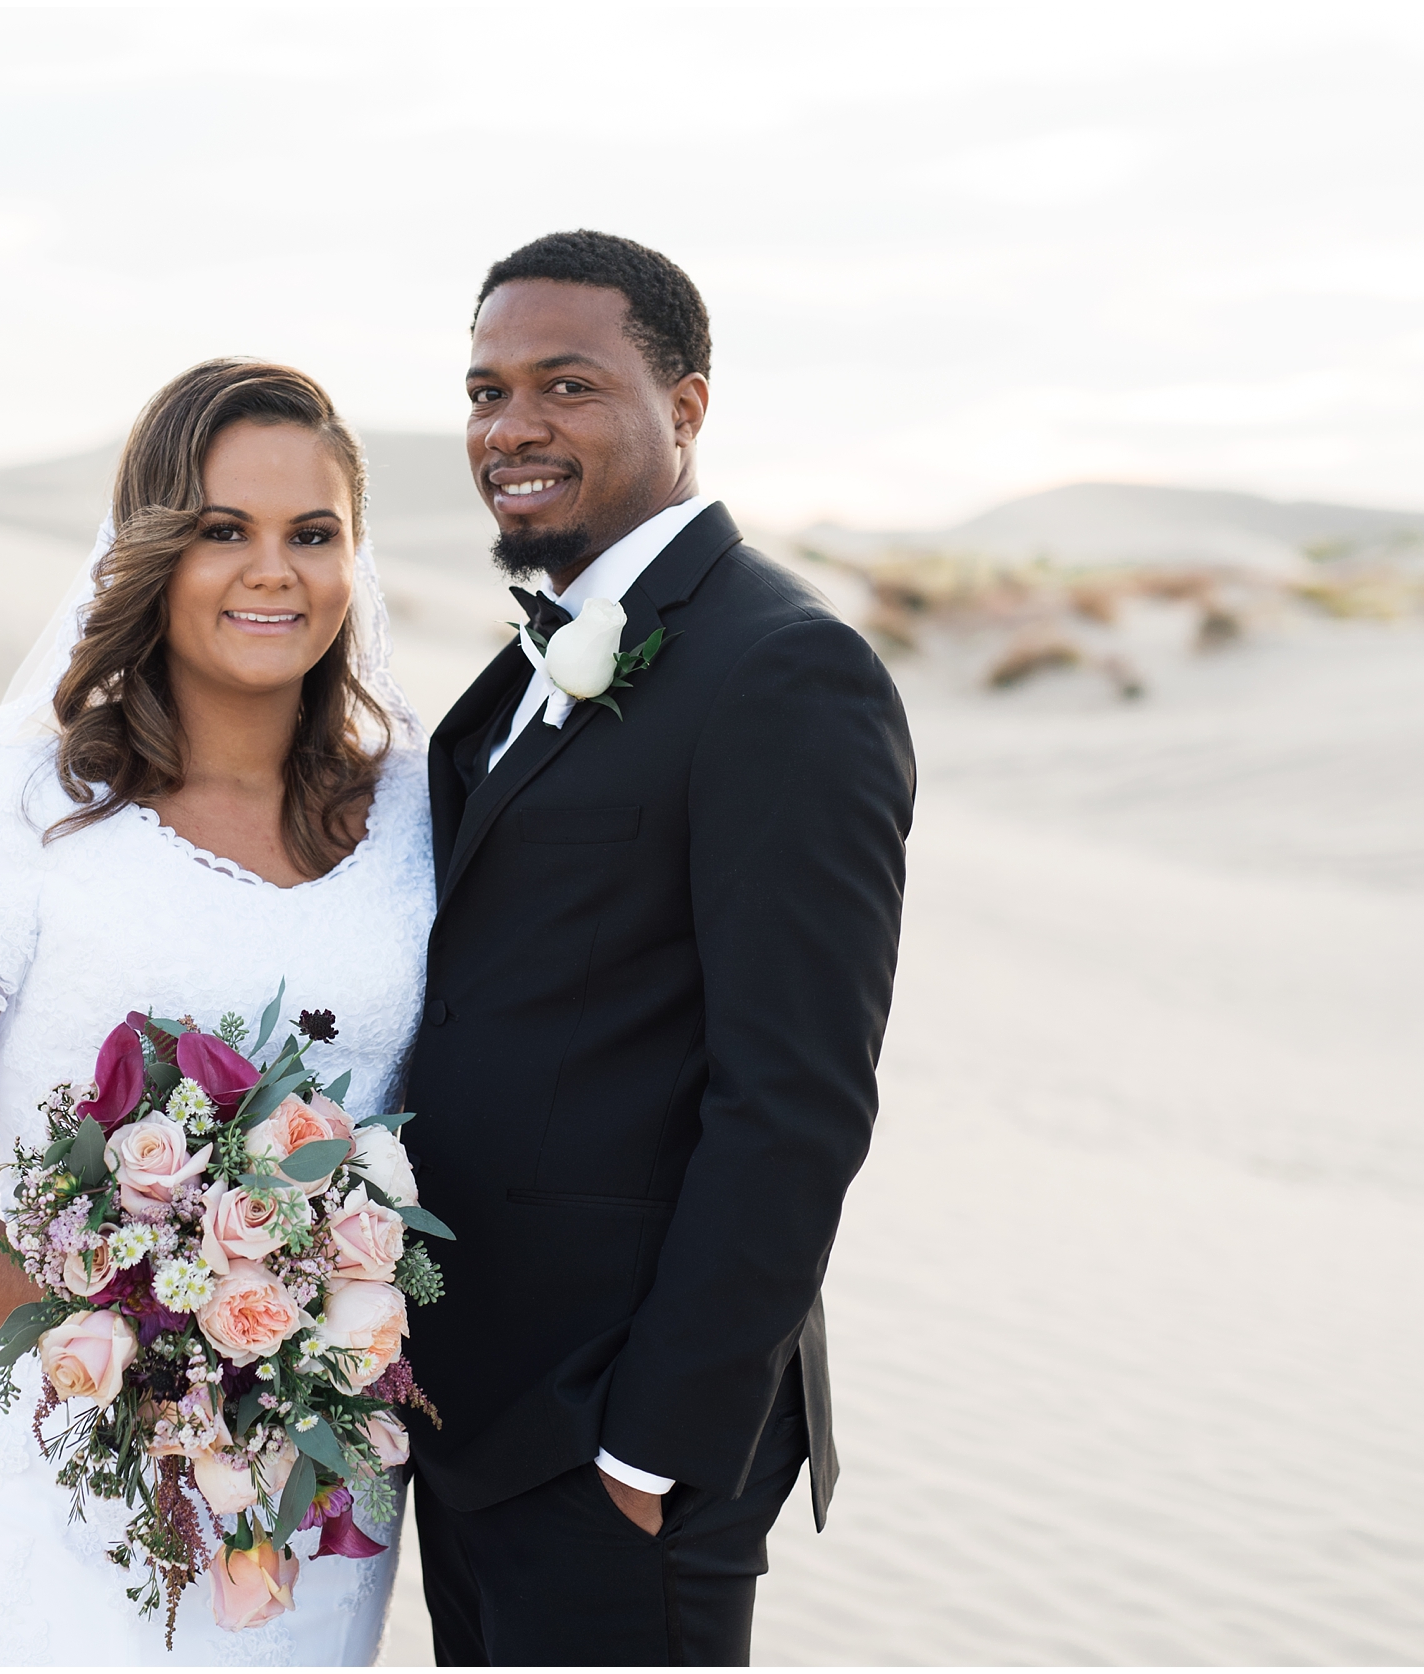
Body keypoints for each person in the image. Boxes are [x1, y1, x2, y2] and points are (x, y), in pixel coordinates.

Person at [0, 361, 431, 1664]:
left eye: (312, 534)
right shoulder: (24, 807)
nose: (274, 570)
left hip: (318, 1502)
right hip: (84, 1483)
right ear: (149, 551)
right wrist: (142, 1350)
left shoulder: (417, 814)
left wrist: (306, 1341)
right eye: (223, 531)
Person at [404, 230, 916, 1664]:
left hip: (612, 1438)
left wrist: (652, 1445)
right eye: (487, 389)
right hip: (477, 1414)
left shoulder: (783, 670)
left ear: (686, 407)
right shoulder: (530, 659)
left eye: (567, 385)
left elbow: (799, 1095)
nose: (512, 426)